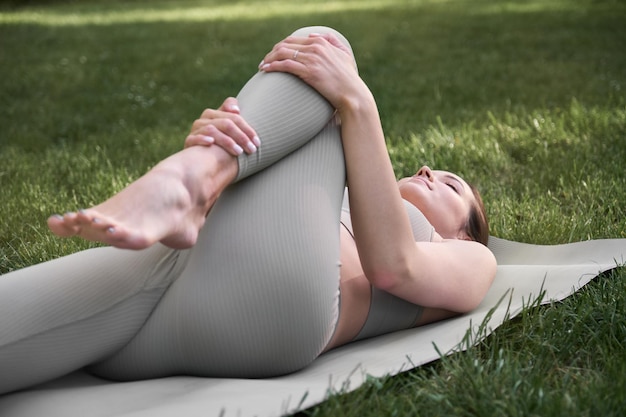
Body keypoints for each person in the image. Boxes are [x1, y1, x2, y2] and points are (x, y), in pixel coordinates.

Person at [0, 26, 496, 395]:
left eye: (452, 186)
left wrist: (358, 102)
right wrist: (223, 133)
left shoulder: (472, 258)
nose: (430, 170)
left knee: (324, 45)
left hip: (283, 307)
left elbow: (394, 267)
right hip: (178, 298)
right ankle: (199, 175)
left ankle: (187, 177)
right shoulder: (328, 187)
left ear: (464, 233)